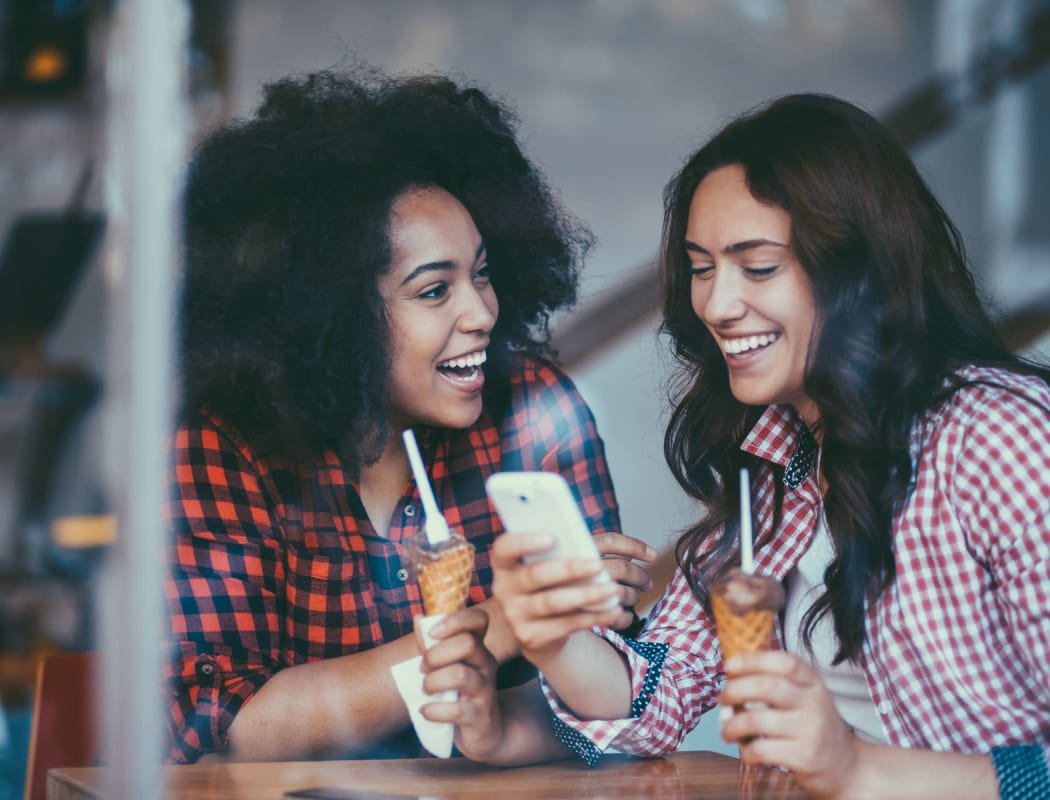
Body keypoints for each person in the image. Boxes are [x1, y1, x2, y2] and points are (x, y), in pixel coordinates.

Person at [431, 94, 1050, 799]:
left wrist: (857, 769)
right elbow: (659, 695)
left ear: (860, 271)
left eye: (757, 268)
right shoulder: (777, 467)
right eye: (702, 268)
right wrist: (552, 638)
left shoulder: (998, 441)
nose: (718, 305)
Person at [163, 66, 655, 764]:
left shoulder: (534, 414)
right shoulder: (223, 445)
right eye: (434, 291)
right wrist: (503, 626)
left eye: (482, 273)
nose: (482, 312)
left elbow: (611, 705)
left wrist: (586, 622)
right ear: (330, 316)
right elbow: (232, 724)